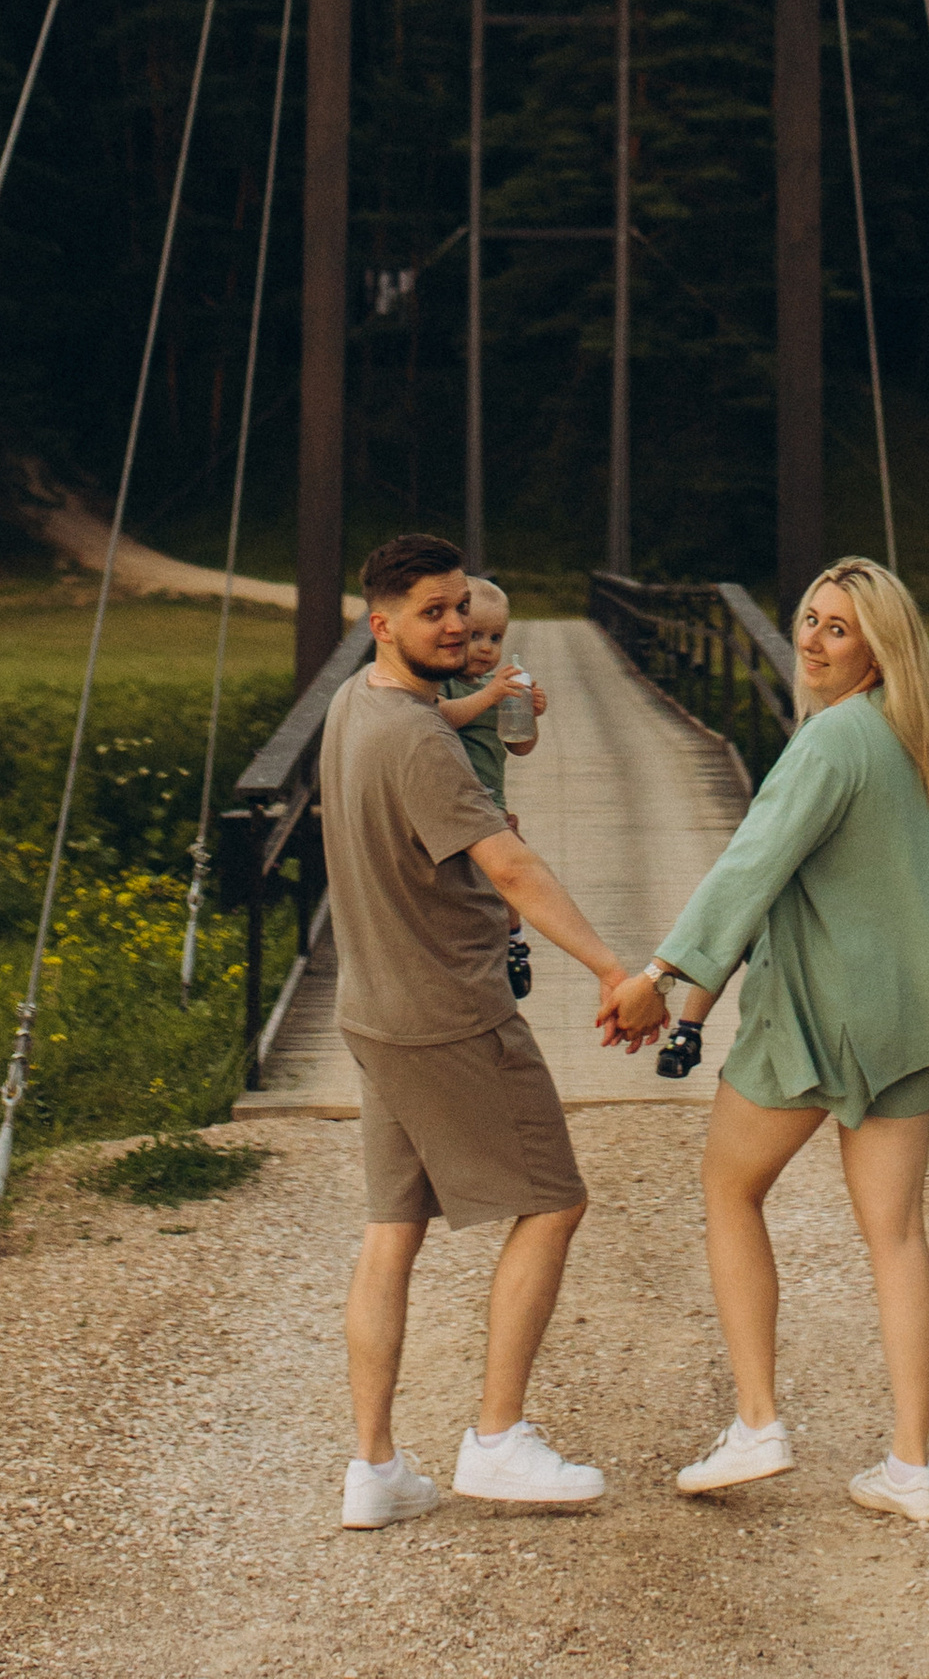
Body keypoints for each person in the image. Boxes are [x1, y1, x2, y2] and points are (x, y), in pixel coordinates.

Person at [604, 555, 929, 1525]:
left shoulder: (830, 747)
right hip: (907, 1019)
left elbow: (746, 869)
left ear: (876, 650)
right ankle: (910, 1468)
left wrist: (659, 982)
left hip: (820, 1019)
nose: (812, 644)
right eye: (809, 621)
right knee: (896, 1235)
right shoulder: (925, 735)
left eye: (837, 630)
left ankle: (758, 1423)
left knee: (728, 1188)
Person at [321, 531, 638, 1528]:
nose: (457, 624)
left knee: (390, 1234)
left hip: (373, 1008)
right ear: (383, 624)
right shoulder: (419, 740)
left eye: (463, 605)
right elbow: (511, 867)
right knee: (551, 1202)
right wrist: (610, 968)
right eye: (434, 612)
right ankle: (498, 1440)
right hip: (448, 1012)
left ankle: (374, 1469)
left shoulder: (351, 706)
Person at [435, 575, 546, 999]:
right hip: (451, 800)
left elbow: (519, 747)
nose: (485, 648)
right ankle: (458, 950)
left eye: (495, 638)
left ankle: (514, 941)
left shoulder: (494, 686)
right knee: (458, 880)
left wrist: (529, 714)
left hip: (491, 801)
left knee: (510, 872)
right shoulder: (441, 683)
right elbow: (438, 717)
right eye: (474, 636)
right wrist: (491, 696)